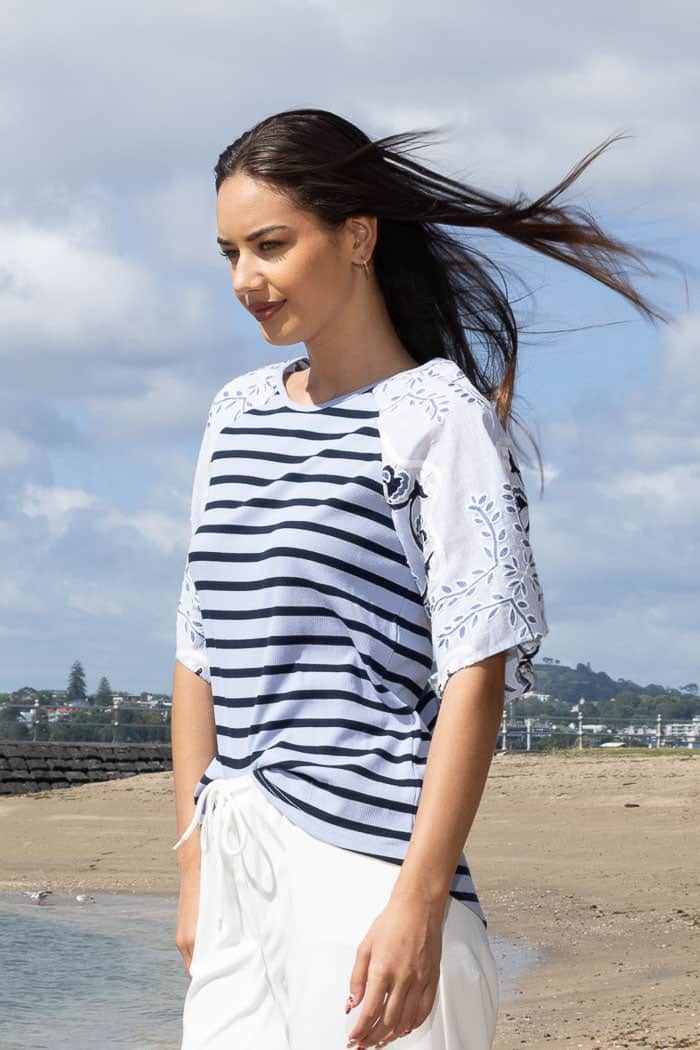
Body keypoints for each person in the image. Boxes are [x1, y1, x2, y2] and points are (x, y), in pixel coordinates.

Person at [170, 109, 674, 1050]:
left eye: (271, 245)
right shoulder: (233, 414)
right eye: (231, 252)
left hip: (369, 871)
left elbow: (475, 672)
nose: (247, 280)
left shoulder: (436, 418)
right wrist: (198, 874)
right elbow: (197, 650)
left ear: (358, 235)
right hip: (237, 877)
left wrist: (419, 902)